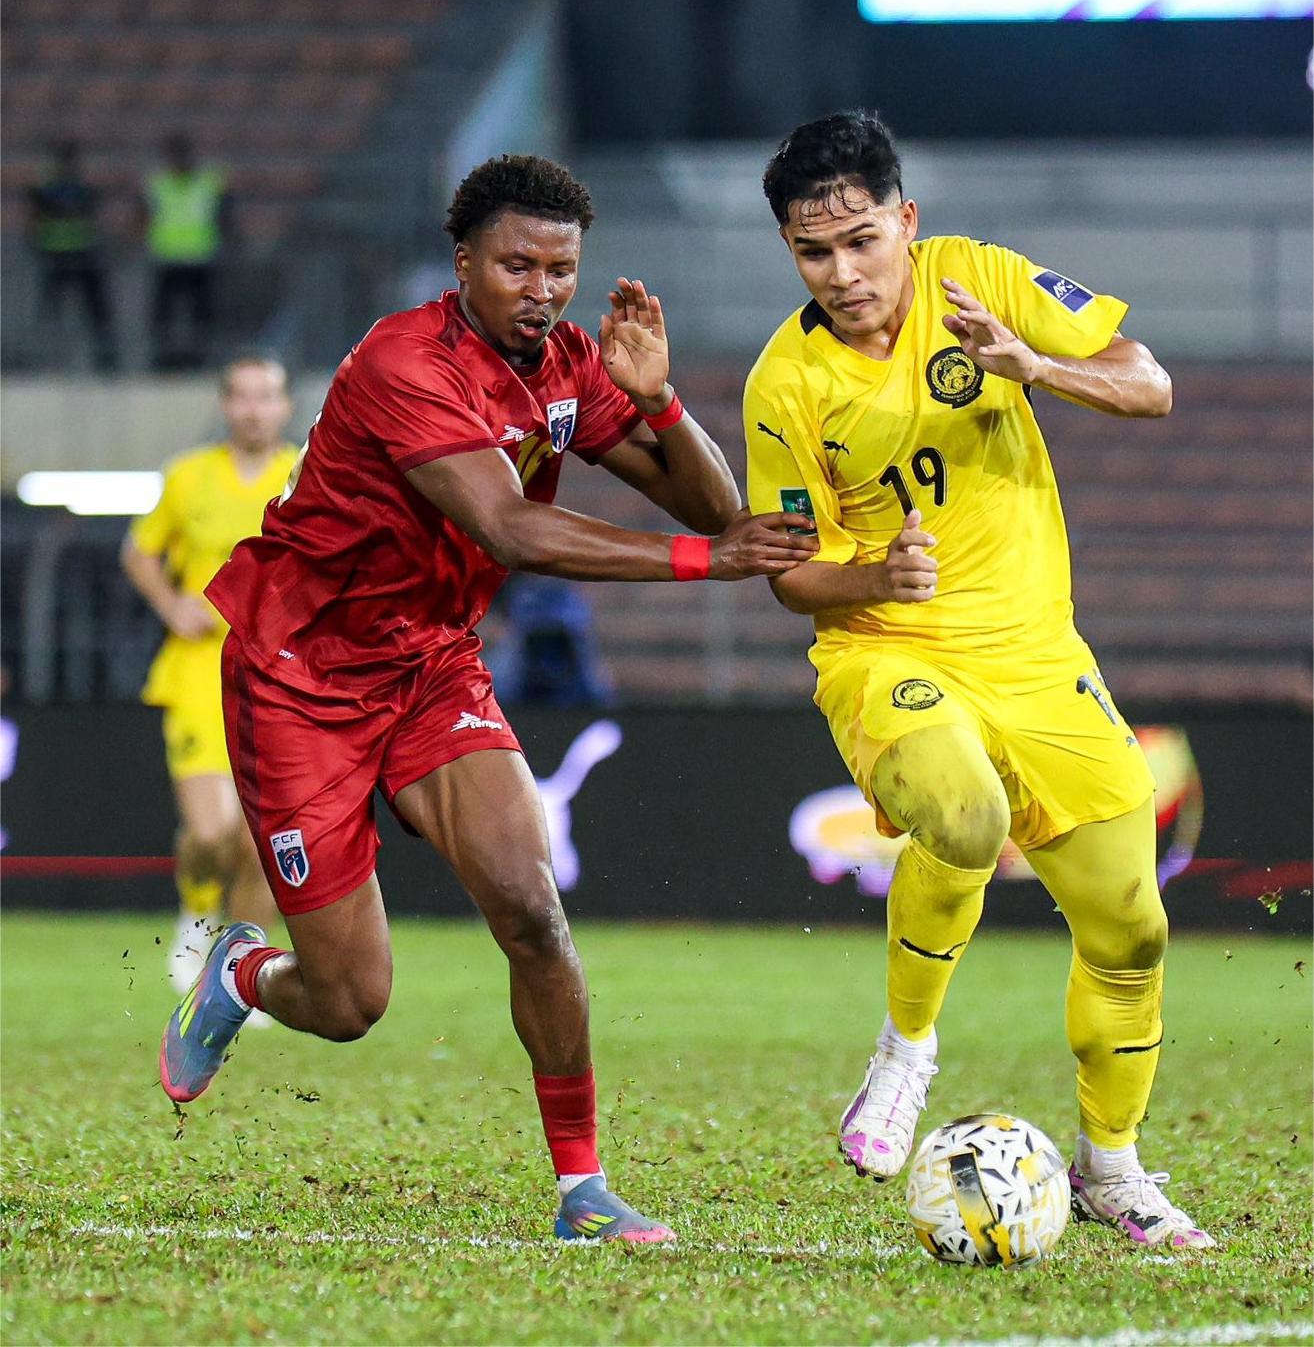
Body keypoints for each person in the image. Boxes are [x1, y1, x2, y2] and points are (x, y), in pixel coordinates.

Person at [158, 154, 816, 1243]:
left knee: (532, 909)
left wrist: (660, 400)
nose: (543, 291)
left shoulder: (567, 363)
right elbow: (509, 528)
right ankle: (244, 974)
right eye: (518, 266)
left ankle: (582, 1188)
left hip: (430, 662)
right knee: (350, 1001)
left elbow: (713, 503)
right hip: (300, 674)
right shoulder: (402, 361)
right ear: (462, 261)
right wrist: (710, 563)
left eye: (562, 270)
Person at [743, 111, 1212, 1250]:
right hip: (888, 650)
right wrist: (875, 575)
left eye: (861, 240)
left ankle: (1112, 1168)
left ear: (906, 220)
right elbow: (790, 574)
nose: (843, 274)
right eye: (814, 252)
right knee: (964, 813)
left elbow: (1148, 383)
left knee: (1132, 930)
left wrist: (1036, 366)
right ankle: (906, 1048)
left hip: (1040, 659)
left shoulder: (982, 280)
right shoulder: (784, 381)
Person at [122, 358, 297, 998]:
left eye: (266, 396)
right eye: (242, 397)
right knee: (209, 831)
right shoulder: (188, 476)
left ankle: (244, 970)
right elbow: (139, 551)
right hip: (198, 669)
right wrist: (170, 605)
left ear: (284, 406)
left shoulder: (306, 473)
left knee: (261, 840)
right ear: (225, 405)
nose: (254, 409)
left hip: (279, 674)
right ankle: (196, 915)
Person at [139, 134, 230, 370]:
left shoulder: (208, 184)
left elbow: (224, 217)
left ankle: (203, 360)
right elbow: (143, 217)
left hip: (200, 258)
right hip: (167, 258)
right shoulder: (158, 185)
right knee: (163, 315)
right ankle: (162, 359)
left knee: (202, 314)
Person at [27, 139, 118, 372]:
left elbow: (95, 222)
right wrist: (36, 244)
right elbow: (34, 222)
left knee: (96, 309)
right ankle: (42, 359)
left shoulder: (84, 190)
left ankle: (106, 358)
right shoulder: (45, 191)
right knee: (50, 310)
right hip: (55, 255)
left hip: (82, 254)